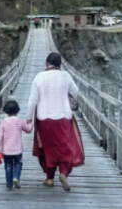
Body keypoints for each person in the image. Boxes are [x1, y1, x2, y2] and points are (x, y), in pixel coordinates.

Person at [27, 52, 84, 192]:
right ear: (60, 64)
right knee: (66, 147)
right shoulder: (65, 76)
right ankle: (64, 173)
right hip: (64, 117)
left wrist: (28, 118)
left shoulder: (39, 76)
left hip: (44, 119)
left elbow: (32, 100)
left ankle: (50, 178)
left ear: (47, 63)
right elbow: (76, 92)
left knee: (46, 148)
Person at [0, 100, 33, 190]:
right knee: (18, 164)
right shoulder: (19, 121)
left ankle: (9, 184)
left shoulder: (3, 123)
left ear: (6, 110)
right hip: (18, 149)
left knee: (8, 166)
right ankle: (16, 177)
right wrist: (31, 123)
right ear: (17, 110)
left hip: (6, 150)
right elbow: (28, 130)